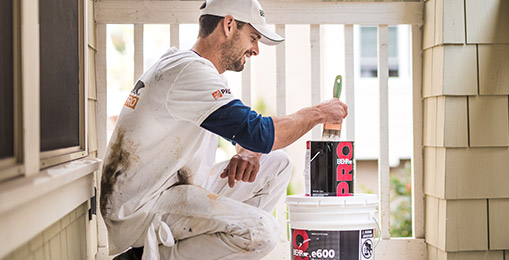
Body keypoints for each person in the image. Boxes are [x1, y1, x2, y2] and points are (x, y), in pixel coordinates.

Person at [101, 0, 348, 259]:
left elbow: (243, 131)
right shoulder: (189, 71)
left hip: (171, 191)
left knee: (277, 163)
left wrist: (250, 152)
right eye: (253, 37)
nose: (255, 50)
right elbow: (259, 133)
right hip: (140, 208)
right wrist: (318, 113)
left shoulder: (195, 70)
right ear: (229, 25)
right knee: (262, 232)